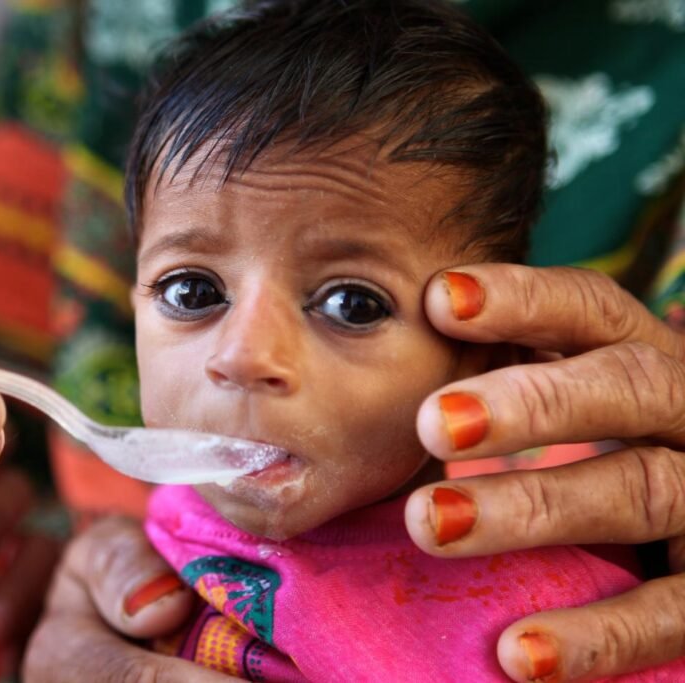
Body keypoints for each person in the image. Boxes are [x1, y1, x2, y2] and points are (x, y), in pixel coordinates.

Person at [59, 0, 677, 679]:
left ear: (487, 357)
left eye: (351, 304)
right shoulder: (144, 542)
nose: (241, 356)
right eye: (192, 292)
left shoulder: (546, 627)